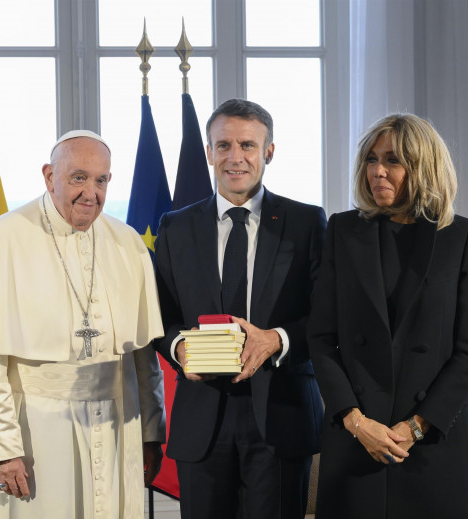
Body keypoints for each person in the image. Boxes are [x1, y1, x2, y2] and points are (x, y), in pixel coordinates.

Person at [0, 130, 166, 518]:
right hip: (32, 430)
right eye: (78, 177)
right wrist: (1, 449)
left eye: (101, 180)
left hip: (114, 427)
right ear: (49, 175)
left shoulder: (127, 243)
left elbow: (142, 357)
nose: (90, 192)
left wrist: (150, 432)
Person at [153, 98, 326, 519]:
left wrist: (277, 340)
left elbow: (328, 318)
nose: (235, 158)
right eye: (224, 145)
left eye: (247, 145)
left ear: (268, 151)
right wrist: (179, 349)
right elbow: (157, 314)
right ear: (209, 152)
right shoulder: (175, 227)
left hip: (280, 413)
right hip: (202, 416)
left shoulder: (307, 223)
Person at [307, 114, 468, 518]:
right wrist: (356, 422)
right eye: (371, 159)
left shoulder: (459, 236)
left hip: (430, 443)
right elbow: (320, 338)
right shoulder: (342, 231)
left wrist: (415, 427)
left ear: (423, 168)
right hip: (355, 438)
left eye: (393, 160)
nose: (378, 171)